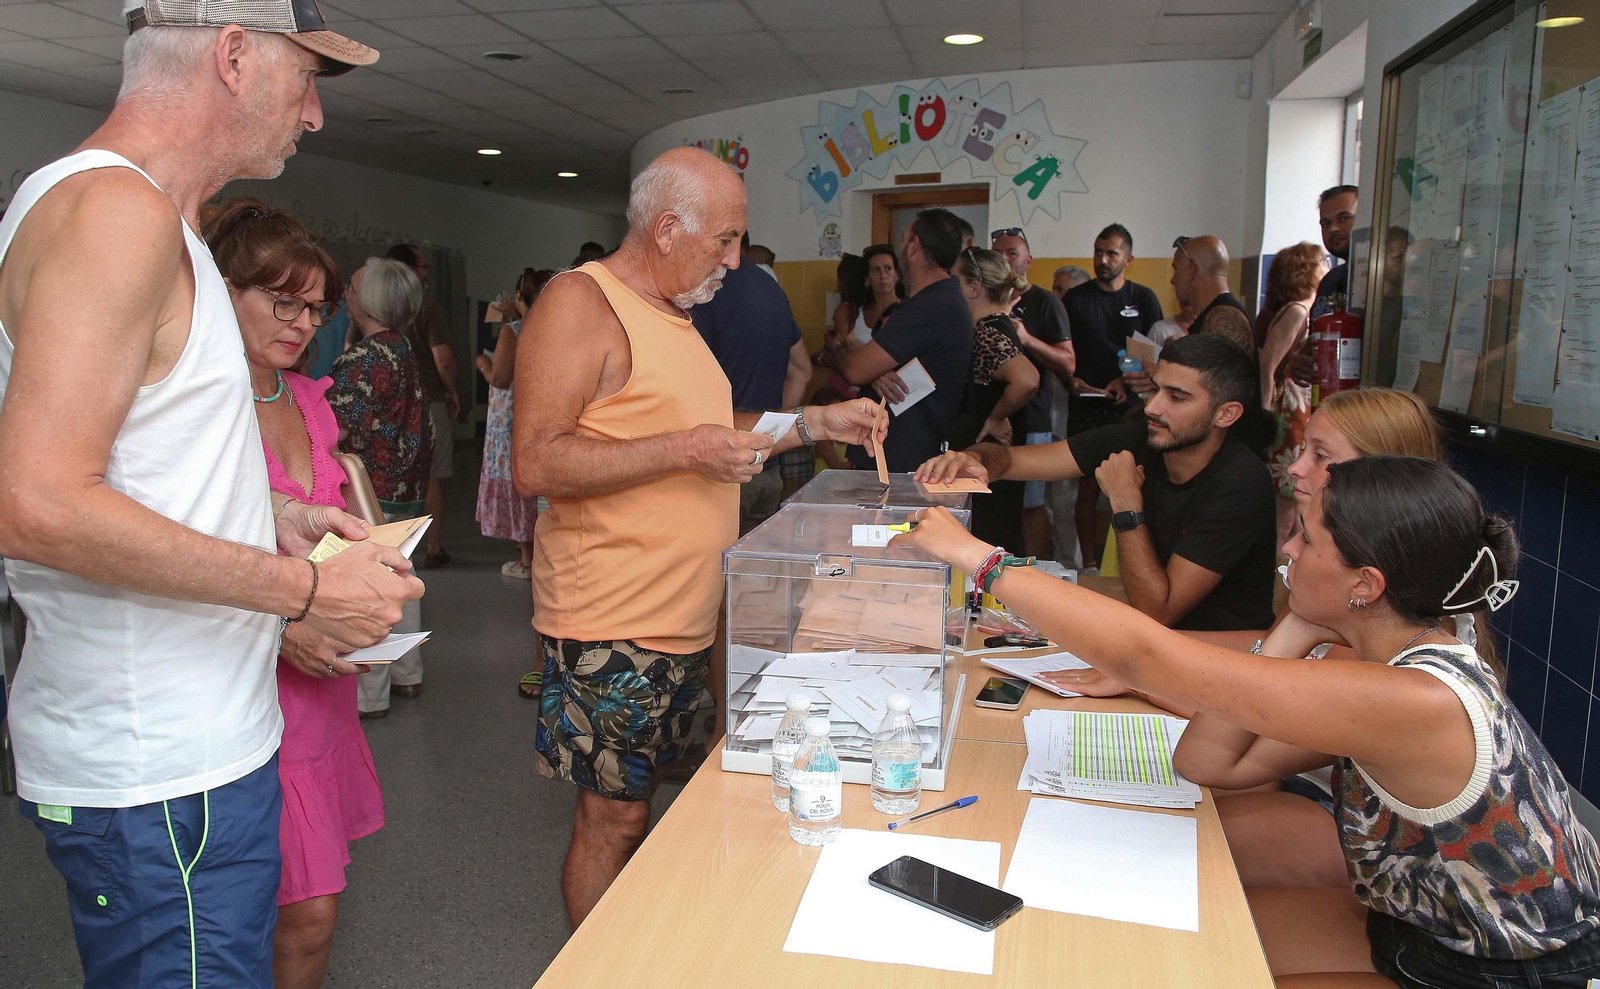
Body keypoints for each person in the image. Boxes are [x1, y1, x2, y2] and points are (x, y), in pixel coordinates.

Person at [0, 7, 421, 986]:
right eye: (304, 78)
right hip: (161, 770)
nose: (313, 114)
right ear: (232, 55)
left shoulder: (156, 219)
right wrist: (302, 591)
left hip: (200, 753)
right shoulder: (115, 213)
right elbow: (37, 502)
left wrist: (271, 514)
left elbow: (135, 461)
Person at [893, 457, 1600, 989]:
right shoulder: (1396, 656)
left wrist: (979, 559)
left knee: (1200, 968)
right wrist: (1296, 624)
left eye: (1307, 539)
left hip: (1501, 970)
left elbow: (1147, 656)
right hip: (1421, 928)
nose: (1288, 549)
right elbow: (1206, 761)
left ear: (1366, 585)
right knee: (1172, 948)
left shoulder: (1413, 697)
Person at [512, 146, 884, 930]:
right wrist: (684, 449)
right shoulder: (581, 302)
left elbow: (717, 429)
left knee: (646, 807)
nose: (735, 259)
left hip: (683, 619)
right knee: (612, 819)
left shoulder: (676, 315)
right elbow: (536, 460)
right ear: (668, 229)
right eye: (725, 239)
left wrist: (814, 421)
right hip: (612, 622)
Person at [206, 199, 387, 989]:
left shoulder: (307, 398)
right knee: (289, 909)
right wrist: (285, 622)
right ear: (226, 290)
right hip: (246, 676)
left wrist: (367, 572)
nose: (304, 323)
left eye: (316, 308)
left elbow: (330, 526)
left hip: (319, 682)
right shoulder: (200, 408)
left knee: (310, 910)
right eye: (284, 302)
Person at [918, 333, 1277, 632]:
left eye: (1177, 398)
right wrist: (975, 458)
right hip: (1151, 642)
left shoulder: (1241, 484)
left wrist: (1125, 502)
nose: (1152, 407)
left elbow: (1159, 611)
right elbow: (1012, 460)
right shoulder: (1139, 440)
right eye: (1155, 390)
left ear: (1225, 414)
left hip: (1216, 657)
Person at [329, 258, 435, 719]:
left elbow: (335, 427)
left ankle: (370, 697)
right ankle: (408, 674)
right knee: (401, 577)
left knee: (370, 587)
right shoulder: (403, 348)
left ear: (370, 301)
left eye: (351, 287)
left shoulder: (364, 358)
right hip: (406, 485)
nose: (345, 295)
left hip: (370, 491)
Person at [827, 208, 973, 473]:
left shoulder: (931, 305)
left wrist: (849, 356)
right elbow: (870, 367)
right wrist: (875, 371)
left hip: (903, 460)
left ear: (914, 246)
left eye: (904, 240)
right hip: (899, 454)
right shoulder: (936, 299)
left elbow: (855, 369)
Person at [1060, 223, 1163, 568]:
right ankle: (1089, 565)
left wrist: (1125, 379)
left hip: (1132, 407)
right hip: (1086, 405)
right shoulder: (1076, 299)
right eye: (1098, 252)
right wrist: (1071, 380)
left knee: (1140, 485)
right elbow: (1061, 353)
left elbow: (1155, 355)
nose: (1103, 260)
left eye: (1112, 253)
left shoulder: (1143, 298)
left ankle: (1138, 563)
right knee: (1086, 487)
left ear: (1128, 259)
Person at [691, 241, 810, 534]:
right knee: (753, 562)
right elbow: (801, 371)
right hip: (767, 469)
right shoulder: (773, 290)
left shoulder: (705, 291)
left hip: (722, 474)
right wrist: (772, 438)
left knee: (713, 564)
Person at [951, 247, 1040, 553]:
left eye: (955, 280)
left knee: (994, 537)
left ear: (974, 288)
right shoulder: (1000, 325)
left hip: (993, 458)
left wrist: (996, 416)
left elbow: (1027, 379)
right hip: (996, 459)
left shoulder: (987, 333)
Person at [993, 228, 1075, 558]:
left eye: (1011, 252)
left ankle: (1040, 575)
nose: (1003, 259)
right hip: (990, 419)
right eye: (997, 253)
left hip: (1032, 419)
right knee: (999, 509)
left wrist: (1027, 339)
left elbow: (1068, 362)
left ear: (1028, 260)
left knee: (1030, 507)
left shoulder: (1045, 302)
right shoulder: (984, 300)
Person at [477, 267, 552, 579]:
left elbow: (499, 377)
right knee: (536, 488)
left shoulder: (514, 330)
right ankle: (543, 553)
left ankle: (526, 558)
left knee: (515, 482)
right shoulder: (551, 328)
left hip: (510, 420)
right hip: (540, 417)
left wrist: (483, 363)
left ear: (519, 295)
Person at [386, 242, 457, 569]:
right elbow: (443, 360)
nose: (426, 272)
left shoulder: (374, 309)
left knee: (390, 475)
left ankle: (392, 546)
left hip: (387, 405)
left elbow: (348, 346)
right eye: (423, 266)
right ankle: (433, 547)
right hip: (427, 401)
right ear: (410, 270)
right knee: (432, 476)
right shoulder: (428, 308)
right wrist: (452, 390)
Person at [1256, 243, 1329, 543]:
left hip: (1295, 415)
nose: (1327, 266)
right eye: (1322, 261)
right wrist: (1264, 419)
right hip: (1288, 418)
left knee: (1294, 511)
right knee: (1285, 512)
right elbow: (1267, 365)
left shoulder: (1303, 310)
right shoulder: (1297, 311)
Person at [1170, 234, 1253, 352]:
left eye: (1176, 269)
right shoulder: (1215, 315)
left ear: (1191, 271)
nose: (1172, 280)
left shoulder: (1222, 319)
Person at [1311, 184, 1359, 323]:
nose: (1333, 229)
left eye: (1343, 218)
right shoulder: (1330, 280)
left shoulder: (1381, 277)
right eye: (1326, 223)